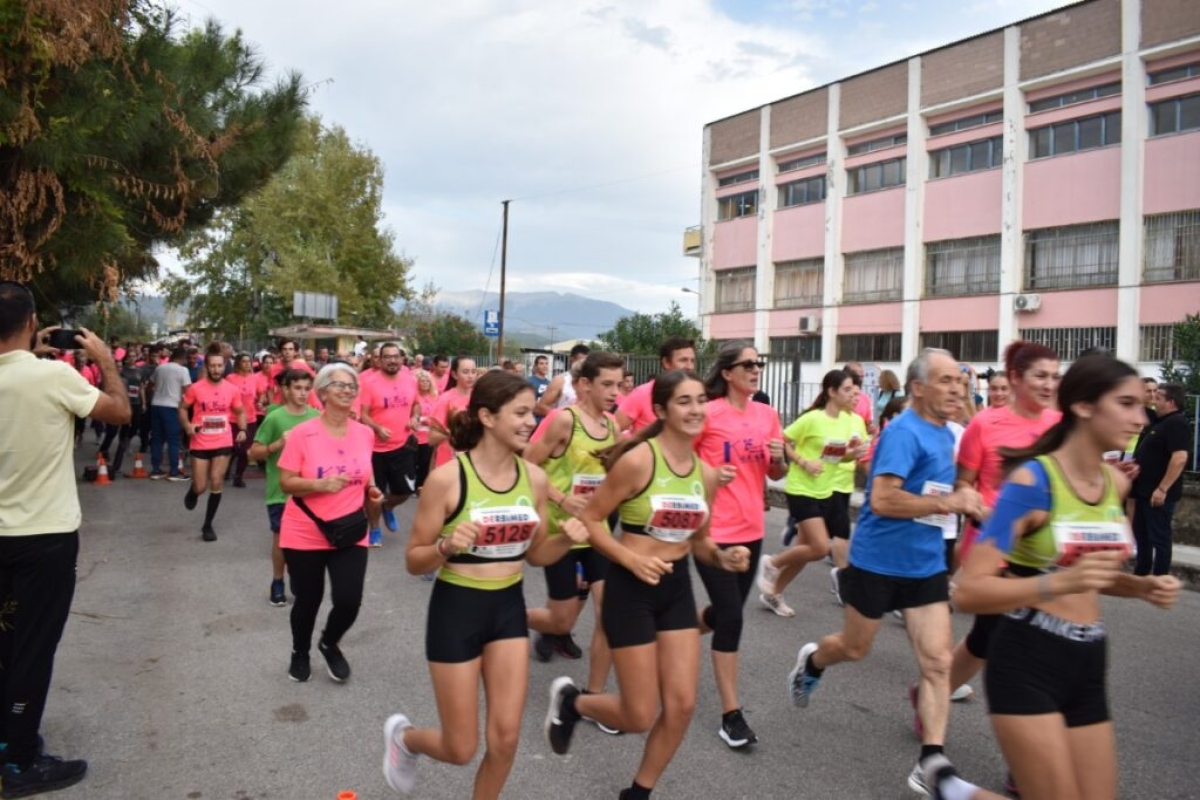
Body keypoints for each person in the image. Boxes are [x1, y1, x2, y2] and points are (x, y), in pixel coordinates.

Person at [954, 354, 1181, 800]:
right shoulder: (1030, 482)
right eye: (1128, 403)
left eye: (1143, 404)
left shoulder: (1113, 484)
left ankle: (957, 792)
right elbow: (969, 590)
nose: (1142, 417)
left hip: (1089, 661)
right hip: (1026, 660)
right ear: (1083, 406)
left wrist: (1139, 586)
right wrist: (1059, 582)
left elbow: (1093, 573)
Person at [544, 370, 752, 800]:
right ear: (661, 410)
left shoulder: (706, 475)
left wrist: (723, 556)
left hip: (675, 587)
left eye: (700, 400)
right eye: (684, 402)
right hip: (629, 586)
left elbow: (700, 541)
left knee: (681, 706)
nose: (696, 410)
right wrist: (630, 559)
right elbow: (592, 519)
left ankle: (638, 793)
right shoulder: (640, 460)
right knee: (638, 715)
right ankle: (574, 703)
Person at [786, 348, 986, 796]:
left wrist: (973, 501)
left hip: (926, 564)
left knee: (936, 662)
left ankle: (932, 761)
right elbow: (882, 500)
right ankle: (813, 660)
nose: (958, 388)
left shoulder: (953, 434)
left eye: (961, 380)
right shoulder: (903, 432)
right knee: (855, 648)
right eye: (947, 381)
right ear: (917, 388)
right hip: (877, 561)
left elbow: (961, 482)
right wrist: (948, 503)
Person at [381, 372, 587, 798]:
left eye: (533, 412)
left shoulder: (535, 479)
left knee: (506, 740)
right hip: (456, 609)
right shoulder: (447, 480)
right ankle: (406, 739)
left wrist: (565, 537)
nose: (532, 421)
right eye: (521, 413)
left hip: (508, 609)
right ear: (487, 416)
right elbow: (413, 559)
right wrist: (445, 546)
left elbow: (535, 555)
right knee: (460, 748)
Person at [0, 282, 131, 796]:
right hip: (43, 535)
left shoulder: (38, 371)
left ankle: (8, 739)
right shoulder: (53, 375)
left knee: (5, 641)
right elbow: (119, 412)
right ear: (33, 322)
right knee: (33, 646)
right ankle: (20, 761)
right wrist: (105, 360)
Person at [692, 341, 786, 749]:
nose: (756, 369)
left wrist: (780, 458)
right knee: (731, 617)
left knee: (723, 611)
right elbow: (679, 464)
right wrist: (710, 475)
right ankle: (731, 715)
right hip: (712, 532)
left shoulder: (768, 415)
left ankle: (673, 632)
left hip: (751, 529)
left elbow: (776, 474)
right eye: (747, 364)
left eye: (758, 363)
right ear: (727, 373)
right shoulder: (707, 414)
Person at [277, 364, 383, 683]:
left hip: (350, 529)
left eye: (353, 386)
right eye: (340, 385)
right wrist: (319, 485)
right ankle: (300, 652)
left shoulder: (364, 433)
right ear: (322, 393)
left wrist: (372, 490)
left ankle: (329, 642)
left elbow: (365, 473)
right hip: (305, 530)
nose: (348, 390)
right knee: (308, 599)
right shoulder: (302, 434)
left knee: (349, 600)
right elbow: (286, 483)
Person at [523, 352, 622, 691]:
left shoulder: (613, 425)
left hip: (596, 531)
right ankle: (497, 616)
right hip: (560, 531)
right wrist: (562, 498)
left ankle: (592, 696)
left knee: (610, 613)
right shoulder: (564, 420)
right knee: (561, 619)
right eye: (606, 384)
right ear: (584, 384)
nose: (614, 392)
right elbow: (528, 465)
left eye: (618, 384)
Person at [758, 370, 867, 617]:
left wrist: (855, 454)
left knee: (804, 549)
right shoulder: (813, 418)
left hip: (825, 490)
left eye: (855, 390)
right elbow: (781, 439)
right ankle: (771, 563)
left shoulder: (846, 421)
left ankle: (773, 593)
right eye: (848, 389)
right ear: (832, 391)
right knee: (818, 548)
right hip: (800, 488)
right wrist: (803, 461)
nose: (854, 395)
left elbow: (837, 456)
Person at [250, 370, 320, 607]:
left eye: (306, 388)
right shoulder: (275, 418)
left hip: (309, 490)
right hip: (279, 492)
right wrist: (279, 443)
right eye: (298, 388)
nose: (302, 393)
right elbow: (254, 452)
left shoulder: (316, 416)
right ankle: (278, 580)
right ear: (286, 390)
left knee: (306, 543)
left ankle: (298, 578)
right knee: (282, 540)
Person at [179, 344, 247, 542]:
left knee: (216, 481)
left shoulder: (232, 390)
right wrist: (187, 426)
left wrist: (242, 430)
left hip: (223, 440)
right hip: (200, 442)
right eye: (213, 366)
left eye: (220, 366)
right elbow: (183, 409)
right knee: (201, 486)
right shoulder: (196, 388)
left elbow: (240, 411)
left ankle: (207, 525)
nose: (216, 369)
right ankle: (194, 491)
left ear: (225, 366)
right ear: (207, 367)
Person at [359, 343, 420, 546]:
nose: (392, 360)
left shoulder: (410, 380)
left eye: (396, 356)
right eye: (388, 357)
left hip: (402, 446)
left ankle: (388, 507)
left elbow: (416, 404)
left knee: (406, 491)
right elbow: (363, 415)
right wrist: (377, 428)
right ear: (380, 359)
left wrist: (415, 417)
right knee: (373, 494)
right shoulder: (370, 382)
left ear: (402, 359)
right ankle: (375, 528)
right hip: (374, 449)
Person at [1131, 383, 1190, 576]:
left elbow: (1180, 457)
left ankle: (1160, 576)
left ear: (1171, 402)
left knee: (1159, 537)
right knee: (1142, 535)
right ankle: (1141, 572)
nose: (1154, 400)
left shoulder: (1176, 423)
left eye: (1159, 397)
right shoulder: (1159, 422)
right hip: (1143, 490)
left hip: (1158, 494)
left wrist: (1163, 488)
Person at [615, 337, 697, 434]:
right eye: (683, 360)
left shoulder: (697, 395)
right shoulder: (643, 393)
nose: (690, 366)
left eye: (692, 361)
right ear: (666, 362)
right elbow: (613, 430)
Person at [98, 350, 146, 475]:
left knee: (132, 428)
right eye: (129, 356)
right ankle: (104, 449)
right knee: (112, 430)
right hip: (118, 404)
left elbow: (141, 387)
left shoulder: (140, 372)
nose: (131, 358)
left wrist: (144, 402)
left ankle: (122, 448)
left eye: (133, 356)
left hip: (135, 403)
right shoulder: (119, 374)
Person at [148, 346, 192, 481]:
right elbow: (188, 390)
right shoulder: (183, 370)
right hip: (172, 406)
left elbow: (150, 384)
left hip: (156, 405)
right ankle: (174, 472)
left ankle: (156, 470)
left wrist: (157, 392)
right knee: (173, 440)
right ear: (183, 357)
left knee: (157, 439)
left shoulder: (160, 368)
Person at [428, 357, 478, 470]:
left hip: (474, 460)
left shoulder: (479, 397)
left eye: (473, 372)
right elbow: (432, 438)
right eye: (465, 372)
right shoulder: (445, 399)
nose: (470, 376)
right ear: (454, 375)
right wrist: (457, 431)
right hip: (449, 460)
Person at [226, 353, 261, 488]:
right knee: (233, 448)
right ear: (238, 363)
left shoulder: (254, 378)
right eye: (244, 361)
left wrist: (261, 401)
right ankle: (226, 469)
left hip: (250, 418)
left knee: (246, 450)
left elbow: (259, 394)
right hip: (233, 418)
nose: (247, 364)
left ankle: (238, 476)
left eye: (249, 361)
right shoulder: (230, 378)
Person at [536, 344, 589, 416]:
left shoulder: (589, 382)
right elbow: (540, 407)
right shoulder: (561, 380)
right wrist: (564, 418)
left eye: (586, 362)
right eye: (580, 361)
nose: (583, 365)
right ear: (571, 359)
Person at [411, 370, 439, 492]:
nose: (425, 383)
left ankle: (420, 486)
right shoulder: (414, 396)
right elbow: (411, 416)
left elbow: (438, 415)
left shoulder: (435, 396)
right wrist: (424, 419)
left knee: (425, 463)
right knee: (412, 463)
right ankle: (410, 484)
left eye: (427, 381)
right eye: (422, 381)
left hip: (429, 435)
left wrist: (430, 420)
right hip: (415, 435)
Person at [527, 355, 550, 425]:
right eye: (541, 363)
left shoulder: (550, 383)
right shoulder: (529, 381)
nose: (544, 366)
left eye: (546, 363)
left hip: (545, 421)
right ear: (536, 366)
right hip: (533, 420)